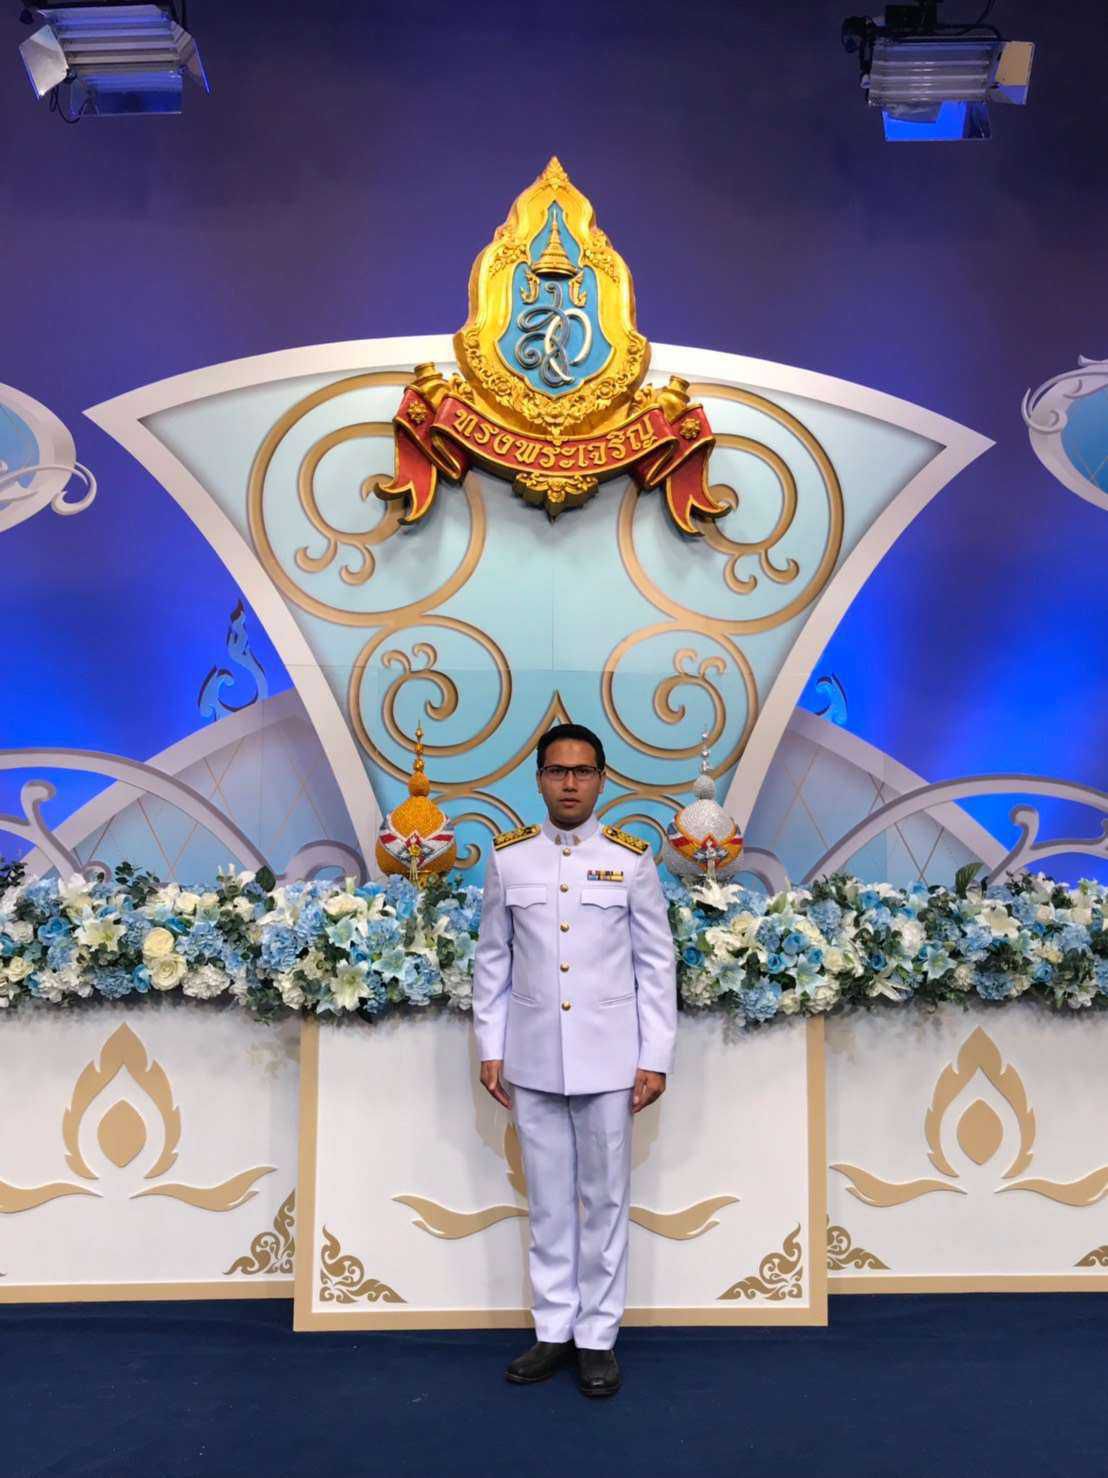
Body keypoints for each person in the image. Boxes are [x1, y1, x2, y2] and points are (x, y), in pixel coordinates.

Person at [473, 722, 677, 1398]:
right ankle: (553, 1329)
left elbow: (656, 964)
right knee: (549, 1202)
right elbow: (493, 960)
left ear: (601, 780)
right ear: (538, 780)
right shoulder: (510, 859)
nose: (569, 783)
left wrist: (655, 1056)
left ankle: (597, 1339)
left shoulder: (630, 860)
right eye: (557, 771)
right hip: (532, 1057)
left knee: (606, 1198)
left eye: (582, 771)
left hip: (611, 1059)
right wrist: (491, 1046)